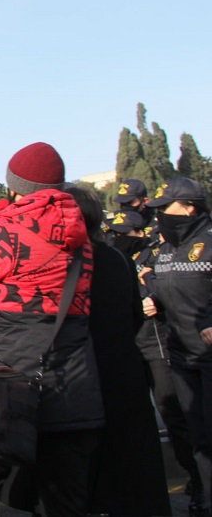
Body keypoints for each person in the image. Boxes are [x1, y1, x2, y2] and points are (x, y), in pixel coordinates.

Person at [0, 142, 104, 517]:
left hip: (6, 387)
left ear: (14, 187)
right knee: (66, 500)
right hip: (74, 387)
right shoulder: (82, 237)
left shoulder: (1, 231)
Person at [62, 186, 170, 516]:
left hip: (81, 378)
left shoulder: (60, 265)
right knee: (136, 478)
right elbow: (135, 315)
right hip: (124, 375)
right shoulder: (119, 259)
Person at [112, 209, 207, 514]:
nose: (119, 238)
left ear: (140, 233)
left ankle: (198, 481)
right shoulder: (116, 258)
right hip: (133, 346)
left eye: (125, 233)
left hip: (159, 346)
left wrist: (156, 300)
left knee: (177, 415)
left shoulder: (160, 254)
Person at [145, 177, 212, 515]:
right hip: (182, 355)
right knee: (198, 435)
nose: (159, 217)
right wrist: (152, 299)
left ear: (189, 208)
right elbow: (162, 286)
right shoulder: (166, 248)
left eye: (165, 209)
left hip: (210, 356)